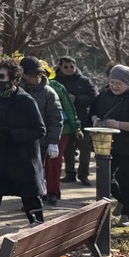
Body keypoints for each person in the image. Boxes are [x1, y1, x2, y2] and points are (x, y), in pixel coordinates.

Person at [0, 58, 46, 248]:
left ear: (13, 78)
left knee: (30, 198)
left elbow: (39, 130)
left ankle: (41, 236)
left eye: (1, 76)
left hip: (23, 158)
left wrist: (13, 134)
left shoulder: (26, 100)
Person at [89, 65, 129, 227]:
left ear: (128, 84)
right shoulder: (103, 95)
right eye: (112, 82)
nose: (115, 86)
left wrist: (118, 124)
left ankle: (127, 214)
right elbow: (92, 113)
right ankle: (123, 202)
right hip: (106, 144)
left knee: (125, 179)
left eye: (119, 83)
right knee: (106, 178)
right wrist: (95, 119)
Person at [19, 57, 64, 205]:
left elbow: (55, 119)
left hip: (41, 141)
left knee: (37, 172)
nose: (37, 77)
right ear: (23, 74)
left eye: (39, 74)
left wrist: (53, 142)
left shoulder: (49, 93)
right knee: (24, 172)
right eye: (32, 74)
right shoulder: (17, 91)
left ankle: (35, 199)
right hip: (21, 139)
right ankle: (29, 199)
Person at [54, 57, 99, 185]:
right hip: (64, 120)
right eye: (65, 67)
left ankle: (83, 174)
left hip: (82, 119)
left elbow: (94, 97)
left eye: (71, 66)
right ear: (60, 67)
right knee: (67, 149)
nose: (69, 69)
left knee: (84, 148)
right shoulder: (56, 82)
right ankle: (70, 173)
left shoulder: (84, 81)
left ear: (75, 66)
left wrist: (76, 98)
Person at [43, 60, 82, 206]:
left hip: (60, 130)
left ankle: (53, 192)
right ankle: (37, 193)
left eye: (42, 73)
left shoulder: (57, 88)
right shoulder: (24, 89)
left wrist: (76, 127)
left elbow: (69, 108)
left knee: (54, 162)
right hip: (37, 131)